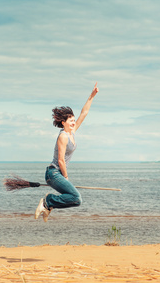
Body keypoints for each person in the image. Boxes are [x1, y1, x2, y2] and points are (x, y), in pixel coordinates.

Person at [35, 82, 99, 222]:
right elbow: (61, 160)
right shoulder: (63, 136)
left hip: (57, 174)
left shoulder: (72, 132)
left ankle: (48, 206)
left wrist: (91, 96)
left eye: (74, 120)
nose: (73, 122)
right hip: (54, 173)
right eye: (70, 120)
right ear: (63, 122)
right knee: (76, 198)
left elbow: (84, 113)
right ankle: (48, 200)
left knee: (75, 200)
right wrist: (66, 177)